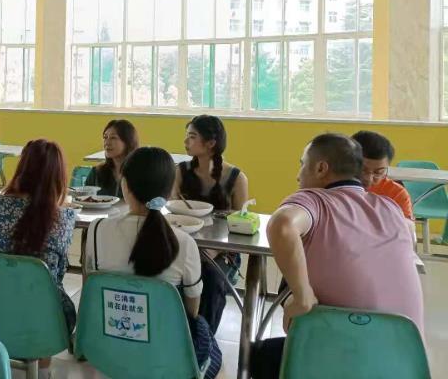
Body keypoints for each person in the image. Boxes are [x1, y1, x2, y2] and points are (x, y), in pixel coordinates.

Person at [251, 133, 424, 379]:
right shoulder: (391, 208)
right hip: (407, 363)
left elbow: (282, 226)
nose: (298, 175)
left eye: (302, 164)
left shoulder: (314, 199)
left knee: (262, 356)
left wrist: (302, 296)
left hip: (345, 360)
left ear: (321, 168)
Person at [84, 147, 223, 379]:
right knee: (207, 338)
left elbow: (92, 288)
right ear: (168, 193)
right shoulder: (184, 242)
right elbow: (191, 311)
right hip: (165, 353)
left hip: (109, 347)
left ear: (124, 185)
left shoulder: (97, 230)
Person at [0, 140, 77, 339]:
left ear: (21, 168)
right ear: (57, 177)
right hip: (43, 319)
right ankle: (41, 362)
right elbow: (59, 272)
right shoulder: (63, 218)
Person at [172, 114, 248, 332]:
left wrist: (216, 249)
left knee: (212, 277)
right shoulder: (181, 171)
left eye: (192, 137)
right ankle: (175, 334)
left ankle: (203, 339)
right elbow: (172, 211)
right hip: (184, 246)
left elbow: (239, 225)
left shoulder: (236, 178)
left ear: (211, 143)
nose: (185, 141)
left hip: (222, 252)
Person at [352, 130, 414, 221]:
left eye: (378, 172)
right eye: (362, 170)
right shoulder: (332, 187)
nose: (369, 179)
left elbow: (406, 227)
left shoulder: (396, 194)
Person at [84, 119, 139, 197]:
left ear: (128, 142)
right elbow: (84, 199)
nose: (107, 143)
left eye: (113, 138)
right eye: (105, 137)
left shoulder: (140, 174)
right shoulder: (96, 173)